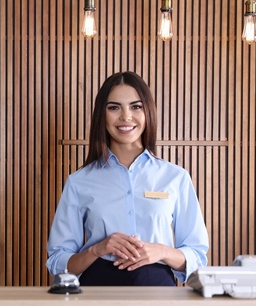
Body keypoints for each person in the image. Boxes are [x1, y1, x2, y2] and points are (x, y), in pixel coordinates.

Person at [46, 71, 209, 286]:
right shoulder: (78, 182)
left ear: (148, 112)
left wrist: (161, 251)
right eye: (114, 107)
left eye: (136, 106)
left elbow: (198, 258)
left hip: (160, 295)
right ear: (101, 115)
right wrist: (97, 249)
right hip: (97, 295)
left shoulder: (175, 177)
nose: (126, 116)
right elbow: (58, 262)